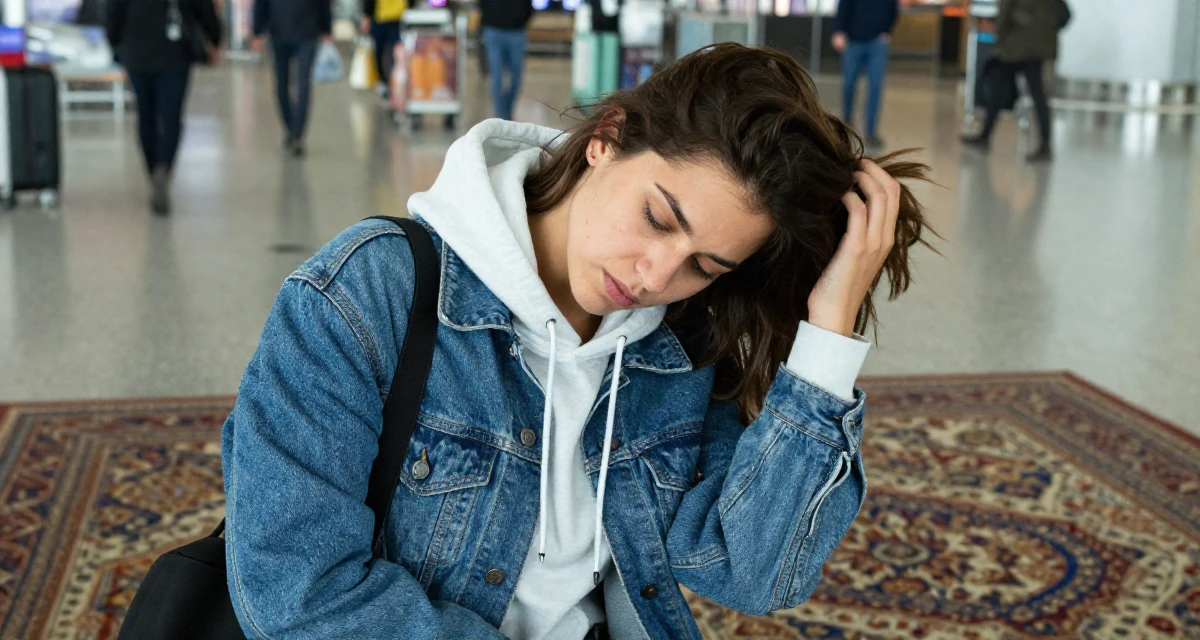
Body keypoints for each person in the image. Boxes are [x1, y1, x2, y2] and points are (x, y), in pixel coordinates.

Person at [221, 44, 934, 639]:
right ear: (606, 138)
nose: (656, 275)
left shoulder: (678, 344)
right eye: (658, 217)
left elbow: (753, 574)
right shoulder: (365, 294)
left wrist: (829, 336)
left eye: (704, 265)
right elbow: (298, 593)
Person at [106, 0, 221, 215]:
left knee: (146, 115)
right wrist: (215, 39)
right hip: (175, 52)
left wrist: (115, 41)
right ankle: (164, 167)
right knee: (172, 117)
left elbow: (113, 11)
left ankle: (153, 172)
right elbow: (204, 8)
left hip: (136, 51)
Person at [963, 0, 1070, 162]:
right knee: (1038, 95)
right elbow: (1065, 15)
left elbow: (1005, 13)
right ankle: (1045, 145)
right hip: (1039, 48)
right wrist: (1046, 31)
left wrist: (1000, 38)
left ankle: (985, 137)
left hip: (1014, 46)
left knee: (998, 90)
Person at [252, 0, 333, 157]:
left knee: (294, 83)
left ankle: (295, 132)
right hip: (290, 32)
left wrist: (257, 30)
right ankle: (293, 130)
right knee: (290, 84)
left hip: (293, 31)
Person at [832, 0, 899, 150]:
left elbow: (893, 9)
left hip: (877, 44)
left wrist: (887, 31)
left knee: (875, 87)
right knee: (849, 83)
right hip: (853, 42)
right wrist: (838, 31)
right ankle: (847, 121)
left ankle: (871, 131)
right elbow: (843, 7)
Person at [480, 0, 534, 120]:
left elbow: (528, 7)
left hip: (516, 31)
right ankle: (501, 114)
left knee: (516, 76)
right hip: (493, 29)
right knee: (497, 75)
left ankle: (507, 110)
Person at [361, 0, 406, 100]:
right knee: (382, 53)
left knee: (392, 54)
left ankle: (391, 83)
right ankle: (386, 82)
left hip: (396, 19)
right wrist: (367, 15)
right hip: (384, 18)